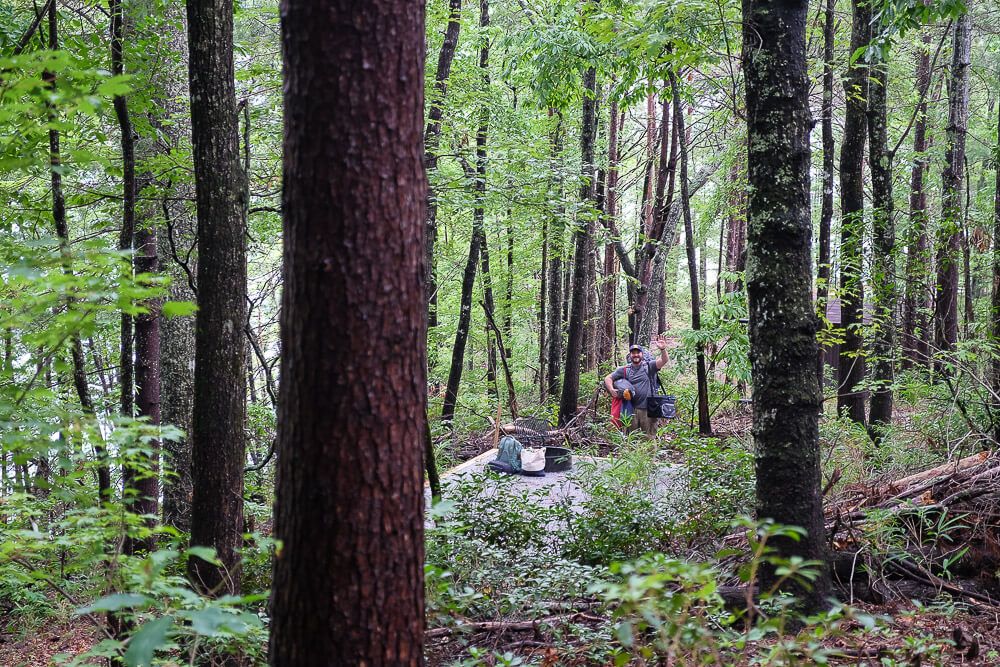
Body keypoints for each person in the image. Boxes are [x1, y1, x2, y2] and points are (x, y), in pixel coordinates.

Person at [604, 334, 670, 436]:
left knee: (649, 438)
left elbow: (664, 360)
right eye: (633, 353)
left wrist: (663, 349)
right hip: (630, 409)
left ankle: (650, 453)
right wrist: (612, 390)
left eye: (638, 352)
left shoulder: (650, 366)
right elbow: (608, 378)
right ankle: (632, 452)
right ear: (630, 355)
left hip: (649, 409)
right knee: (631, 438)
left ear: (642, 354)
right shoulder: (625, 369)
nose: (636, 355)